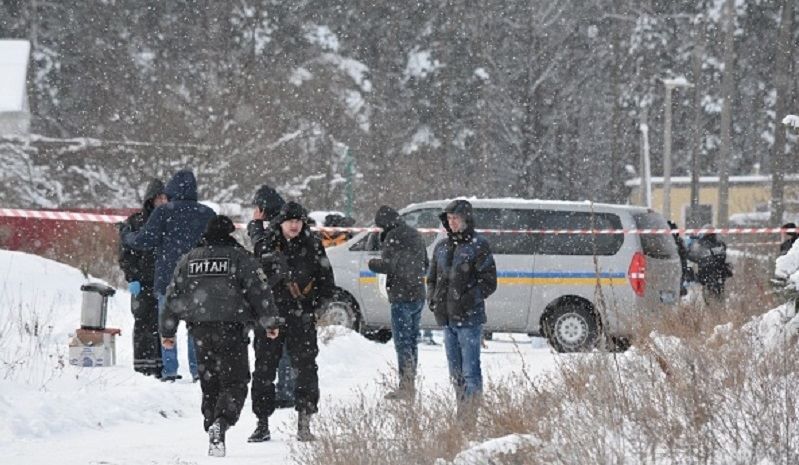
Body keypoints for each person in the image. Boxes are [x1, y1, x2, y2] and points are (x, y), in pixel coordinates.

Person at [160, 215, 282, 457]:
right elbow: (260, 290)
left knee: (210, 381)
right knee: (235, 382)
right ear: (229, 233)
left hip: (200, 330)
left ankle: (211, 422)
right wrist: (270, 321)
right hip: (231, 329)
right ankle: (221, 423)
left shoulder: (188, 260)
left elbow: (173, 296)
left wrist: (167, 330)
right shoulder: (239, 258)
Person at [248, 201, 335, 442]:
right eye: (290, 221)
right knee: (264, 370)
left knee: (306, 369)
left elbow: (326, 282)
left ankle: (304, 422)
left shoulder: (313, 246)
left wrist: (316, 308)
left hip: (301, 317)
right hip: (270, 317)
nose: (294, 225)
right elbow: (254, 280)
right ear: (282, 223)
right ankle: (262, 422)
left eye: (298, 221)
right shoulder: (267, 244)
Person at [123, 169, 215, 382]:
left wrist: (127, 235)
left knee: (167, 327)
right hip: (199, 280)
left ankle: (170, 371)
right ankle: (198, 371)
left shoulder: (164, 212)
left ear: (172, 189)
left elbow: (143, 240)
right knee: (196, 330)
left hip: (168, 279)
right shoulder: (207, 213)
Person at [426, 199, 497, 419]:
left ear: (466, 219)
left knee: (470, 373)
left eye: (455, 218)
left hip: (469, 321)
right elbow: (431, 280)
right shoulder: (441, 247)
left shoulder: (479, 245)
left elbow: (489, 282)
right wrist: (433, 301)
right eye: (449, 219)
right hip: (447, 320)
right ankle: (461, 414)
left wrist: (467, 300)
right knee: (455, 374)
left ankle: (470, 419)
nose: (452, 222)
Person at [367, 205, 428, 400]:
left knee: (402, 343)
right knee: (411, 342)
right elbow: (425, 264)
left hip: (402, 296)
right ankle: (410, 384)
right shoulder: (414, 234)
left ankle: (406, 387)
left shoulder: (393, 236)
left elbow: (391, 266)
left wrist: (373, 264)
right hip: (418, 294)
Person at [118, 178, 167, 378]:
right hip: (143, 282)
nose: (163, 201)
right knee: (142, 324)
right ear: (151, 199)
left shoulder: (171, 222)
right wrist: (132, 278)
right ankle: (142, 368)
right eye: (160, 198)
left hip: (164, 283)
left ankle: (160, 366)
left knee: (163, 326)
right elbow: (125, 254)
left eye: (166, 198)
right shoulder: (136, 222)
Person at [687, 225, 732, 304]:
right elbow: (723, 256)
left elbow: (694, 257)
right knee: (720, 298)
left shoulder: (702, 244)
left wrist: (686, 253)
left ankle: (712, 313)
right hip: (720, 275)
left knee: (708, 300)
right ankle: (720, 313)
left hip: (706, 276)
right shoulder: (720, 244)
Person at [667, 220, 694, 296]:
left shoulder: (670, 242)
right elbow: (684, 256)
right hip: (678, 271)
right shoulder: (679, 241)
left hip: (673, 271)